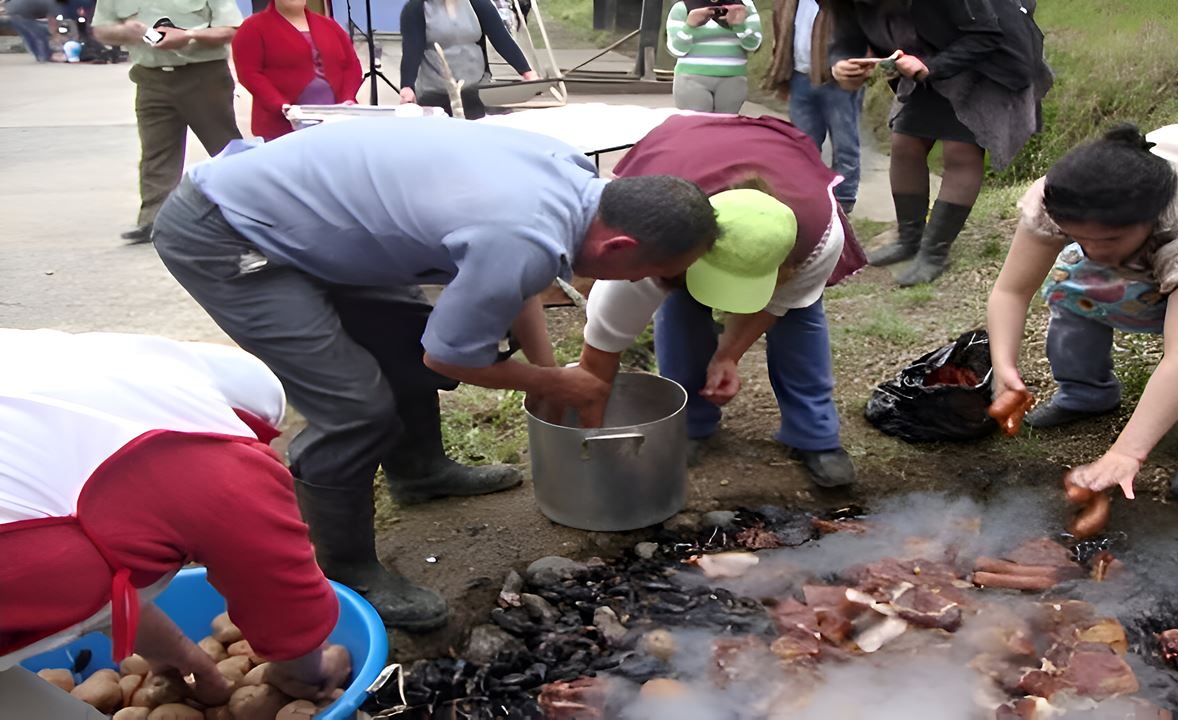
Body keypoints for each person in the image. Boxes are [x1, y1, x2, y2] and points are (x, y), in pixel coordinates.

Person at [151, 117, 718, 629]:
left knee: (401, 339)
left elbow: (510, 279)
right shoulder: (520, 234)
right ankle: (345, 570)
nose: (647, 284)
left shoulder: (570, 176)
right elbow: (450, 356)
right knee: (354, 408)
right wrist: (553, 382)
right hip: (230, 231)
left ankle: (419, 473)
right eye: (649, 273)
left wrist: (548, 369)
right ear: (619, 244)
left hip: (319, 219)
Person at [0, 329, 351, 716]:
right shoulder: (219, 464)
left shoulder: (89, 386)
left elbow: (54, 538)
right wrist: (306, 671)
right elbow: (281, 593)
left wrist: (165, 645)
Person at [988, 120, 1178, 502]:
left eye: (1109, 240)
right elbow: (1010, 291)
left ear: (1151, 221)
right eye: (1079, 237)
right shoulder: (1060, 196)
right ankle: (1087, 394)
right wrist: (1004, 368)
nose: (1094, 251)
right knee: (1072, 280)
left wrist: (1127, 452)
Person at [579, 113, 867, 488]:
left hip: (776, 154)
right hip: (684, 153)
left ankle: (815, 435)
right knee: (680, 306)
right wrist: (589, 427)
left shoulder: (820, 237)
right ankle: (690, 423)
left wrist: (728, 354)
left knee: (799, 315)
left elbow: (777, 304)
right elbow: (602, 343)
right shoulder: (652, 240)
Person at [829, 0, 1052, 286]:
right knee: (905, 142)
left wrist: (931, 67)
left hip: (991, 63)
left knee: (960, 149)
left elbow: (986, 35)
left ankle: (935, 253)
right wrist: (841, 63)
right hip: (927, 61)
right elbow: (846, 39)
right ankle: (909, 238)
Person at [91, 0, 242, 244]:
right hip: (150, 78)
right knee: (156, 152)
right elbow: (101, 29)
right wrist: (123, 32)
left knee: (225, 148)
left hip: (204, 76)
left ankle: (247, 213)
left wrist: (190, 35)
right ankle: (155, 220)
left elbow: (231, 29)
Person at [762, 0, 862, 212]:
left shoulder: (842, 5)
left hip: (838, 80)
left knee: (845, 143)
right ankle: (808, 195)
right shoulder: (787, 2)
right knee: (803, 143)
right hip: (800, 77)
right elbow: (780, 34)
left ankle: (844, 200)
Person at [231, 0, 363, 141]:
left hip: (335, 123)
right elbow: (249, 73)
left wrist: (347, 100)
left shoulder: (330, 25)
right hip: (282, 128)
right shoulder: (253, 27)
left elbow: (351, 66)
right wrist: (281, 106)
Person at [397, 0, 537, 119]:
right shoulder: (415, 9)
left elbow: (501, 39)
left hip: (474, 88)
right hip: (434, 90)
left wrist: (526, 71)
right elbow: (412, 50)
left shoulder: (478, 4)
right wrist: (407, 86)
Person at [665, 0, 763, 114]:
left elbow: (753, 45)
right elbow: (676, 49)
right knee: (697, 127)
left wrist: (739, 26)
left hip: (733, 79)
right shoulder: (682, 7)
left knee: (725, 127)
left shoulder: (743, 5)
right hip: (691, 79)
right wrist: (689, 27)